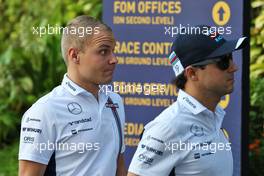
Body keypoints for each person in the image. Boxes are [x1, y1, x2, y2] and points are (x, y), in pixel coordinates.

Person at [127, 25, 248, 176]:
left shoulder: (213, 116)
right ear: (192, 73)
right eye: (223, 61)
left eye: (230, 57)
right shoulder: (168, 127)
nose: (233, 67)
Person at [19, 15, 126, 176]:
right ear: (74, 55)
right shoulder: (44, 111)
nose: (114, 59)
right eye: (103, 51)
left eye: (113, 51)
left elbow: (118, 166)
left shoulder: (114, 101)